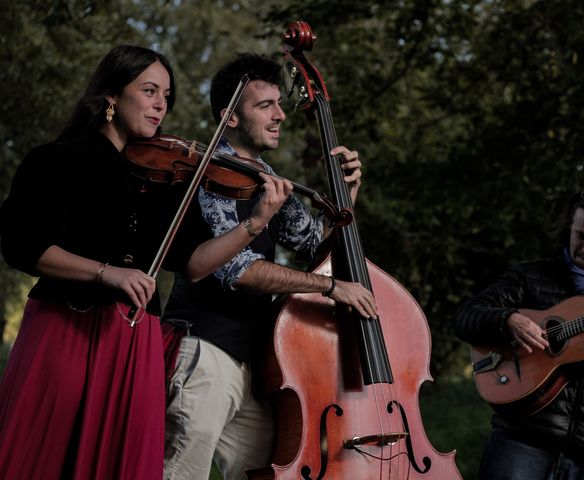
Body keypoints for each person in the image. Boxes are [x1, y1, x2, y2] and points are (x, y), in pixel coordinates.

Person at [0, 45, 288, 480]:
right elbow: (23, 246)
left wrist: (257, 222)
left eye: (167, 96)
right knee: (46, 453)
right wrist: (107, 273)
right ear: (112, 96)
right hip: (67, 328)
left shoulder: (163, 180)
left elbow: (194, 263)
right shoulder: (57, 160)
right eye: (149, 90)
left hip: (134, 340)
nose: (161, 105)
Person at [162, 53, 378, 480]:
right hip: (205, 352)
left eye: (280, 103)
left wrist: (347, 194)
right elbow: (238, 270)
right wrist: (331, 289)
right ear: (231, 117)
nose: (280, 114)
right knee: (180, 475)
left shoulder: (267, 178)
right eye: (266, 106)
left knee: (265, 471)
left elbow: (316, 244)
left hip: (251, 364)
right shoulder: (212, 174)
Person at [455, 185, 584, 480]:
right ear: (570, 227)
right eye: (581, 235)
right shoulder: (530, 277)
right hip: (520, 445)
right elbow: (465, 317)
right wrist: (508, 320)